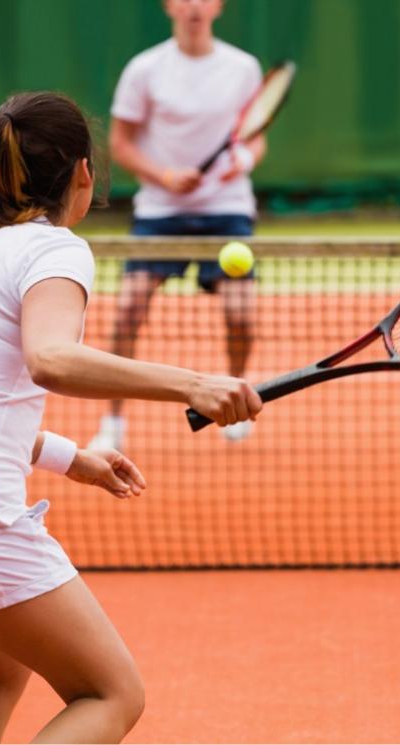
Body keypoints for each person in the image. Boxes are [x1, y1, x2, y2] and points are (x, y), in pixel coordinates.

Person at [0, 92, 261, 744]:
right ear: (83, 174)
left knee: (2, 666)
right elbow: (50, 359)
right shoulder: (55, 250)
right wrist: (195, 383)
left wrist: (73, 457)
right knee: (109, 692)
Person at [89, 0, 266, 450]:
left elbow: (254, 133)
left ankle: (236, 394)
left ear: (218, 6)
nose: (194, 5)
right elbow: (121, 143)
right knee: (128, 311)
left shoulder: (242, 67)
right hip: (160, 213)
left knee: (241, 315)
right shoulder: (145, 69)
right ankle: (112, 422)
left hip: (227, 211)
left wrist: (242, 160)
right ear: (169, 6)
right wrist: (165, 176)